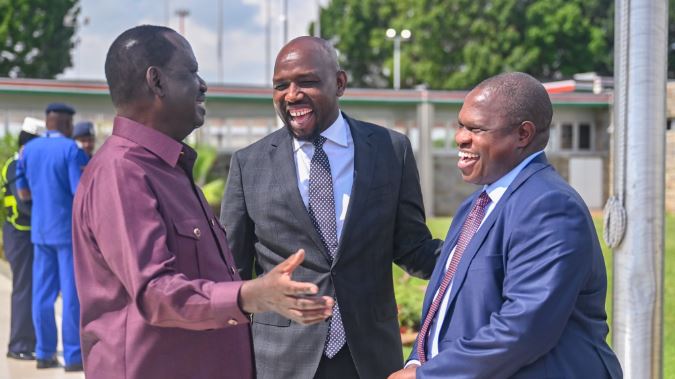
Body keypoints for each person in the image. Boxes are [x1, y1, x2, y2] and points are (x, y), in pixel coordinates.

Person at [72, 25, 334, 379]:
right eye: (190, 72)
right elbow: (155, 292)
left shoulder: (168, 169)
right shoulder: (123, 173)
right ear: (157, 82)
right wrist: (250, 296)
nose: (202, 85)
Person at [220, 36, 442, 379]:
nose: (292, 95)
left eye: (306, 81)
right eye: (281, 85)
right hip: (280, 361)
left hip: (370, 357)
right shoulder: (248, 163)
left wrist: (471, 255)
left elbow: (412, 246)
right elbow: (232, 271)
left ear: (339, 83)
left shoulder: (390, 150)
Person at [388, 72, 622, 379]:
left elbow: (524, 328)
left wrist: (428, 376)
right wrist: (417, 360)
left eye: (476, 128)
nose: (460, 137)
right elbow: (445, 303)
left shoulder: (550, 206)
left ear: (523, 134)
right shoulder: (475, 206)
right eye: (461, 125)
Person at [16, 102, 88, 372]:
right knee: (71, 295)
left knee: (42, 295)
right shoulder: (70, 149)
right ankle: (72, 357)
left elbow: (24, 193)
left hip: (40, 231)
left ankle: (44, 353)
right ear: (67, 124)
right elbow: (79, 193)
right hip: (67, 234)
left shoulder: (28, 150)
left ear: (47, 122)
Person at [2, 121, 40, 361]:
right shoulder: (17, 165)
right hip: (19, 233)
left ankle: (30, 342)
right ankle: (18, 345)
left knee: (33, 288)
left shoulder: (23, 163)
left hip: (27, 233)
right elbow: (24, 203)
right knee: (24, 289)